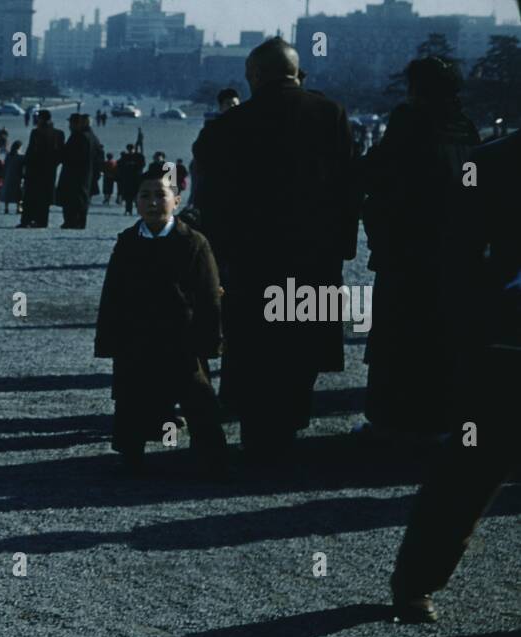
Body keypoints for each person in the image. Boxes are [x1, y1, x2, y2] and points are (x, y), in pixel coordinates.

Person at [192, 37, 359, 462]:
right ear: (295, 70)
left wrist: (218, 257)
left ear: (255, 75)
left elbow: (212, 203)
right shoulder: (330, 114)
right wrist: (342, 248)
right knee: (300, 349)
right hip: (314, 258)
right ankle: (291, 423)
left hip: (251, 261)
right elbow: (348, 190)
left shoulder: (227, 128)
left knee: (254, 349)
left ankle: (259, 432)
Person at [389, 127, 520, 622]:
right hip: (504, 347)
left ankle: (414, 583)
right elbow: (455, 258)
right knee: (466, 472)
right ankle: (415, 583)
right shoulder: (490, 163)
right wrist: (477, 330)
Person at [359, 56, 479, 439]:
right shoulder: (465, 128)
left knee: (399, 336)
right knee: (441, 338)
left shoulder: (409, 121)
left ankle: (394, 420)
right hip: (455, 250)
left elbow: (383, 174)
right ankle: (440, 418)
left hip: (408, 251)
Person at [94, 163, 227, 476]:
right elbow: (112, 294)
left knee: (198, 399)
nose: (153, 202)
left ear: (176, 201)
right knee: (132, 398)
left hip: (181, 338)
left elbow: (208, 296)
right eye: (145, 195)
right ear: (136, 201)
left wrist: (210, 341)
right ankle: (130, 455)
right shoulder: (127, 242)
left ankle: (213, 459)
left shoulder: (194, 243)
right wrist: (109, 338)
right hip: (136, 337)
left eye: (160, 195)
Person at [57, 113, 103, 229]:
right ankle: (79, 221)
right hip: (87, 175)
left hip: (74, 174)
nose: (70, 126)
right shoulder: (93, 137)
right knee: (82, 199)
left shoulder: (79, 137)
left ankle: (72, 221)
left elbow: (70, 155)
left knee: (72, 199)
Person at [20, 110, 62, 228]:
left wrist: (25, 165)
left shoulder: (36, 133)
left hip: (34, 170)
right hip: (49, 171)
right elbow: (60, 154)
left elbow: (31, 151)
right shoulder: (58, 134)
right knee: (44, 199)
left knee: (30, 197)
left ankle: (27, 220)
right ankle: (42, 221)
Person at [115, 143, 144, 215]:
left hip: (136, 179)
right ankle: (128, 210)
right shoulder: (125, 157)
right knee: (128, 197)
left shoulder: (139, 156)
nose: (130, 150)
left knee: (137, 196)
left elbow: (142, 165)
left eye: (132, 149)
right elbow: (120, 166)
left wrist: (133, 166)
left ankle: (139, 210)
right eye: (129, 149)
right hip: (127, 180)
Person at [0, 139, 24, 215]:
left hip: (8, 176)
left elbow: (5, 166)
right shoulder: (20, 157)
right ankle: (18, 208)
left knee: (8, 192)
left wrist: (3, 176)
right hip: (17, 177)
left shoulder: (8, 156)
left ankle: (6, 208)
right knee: (18, 193)